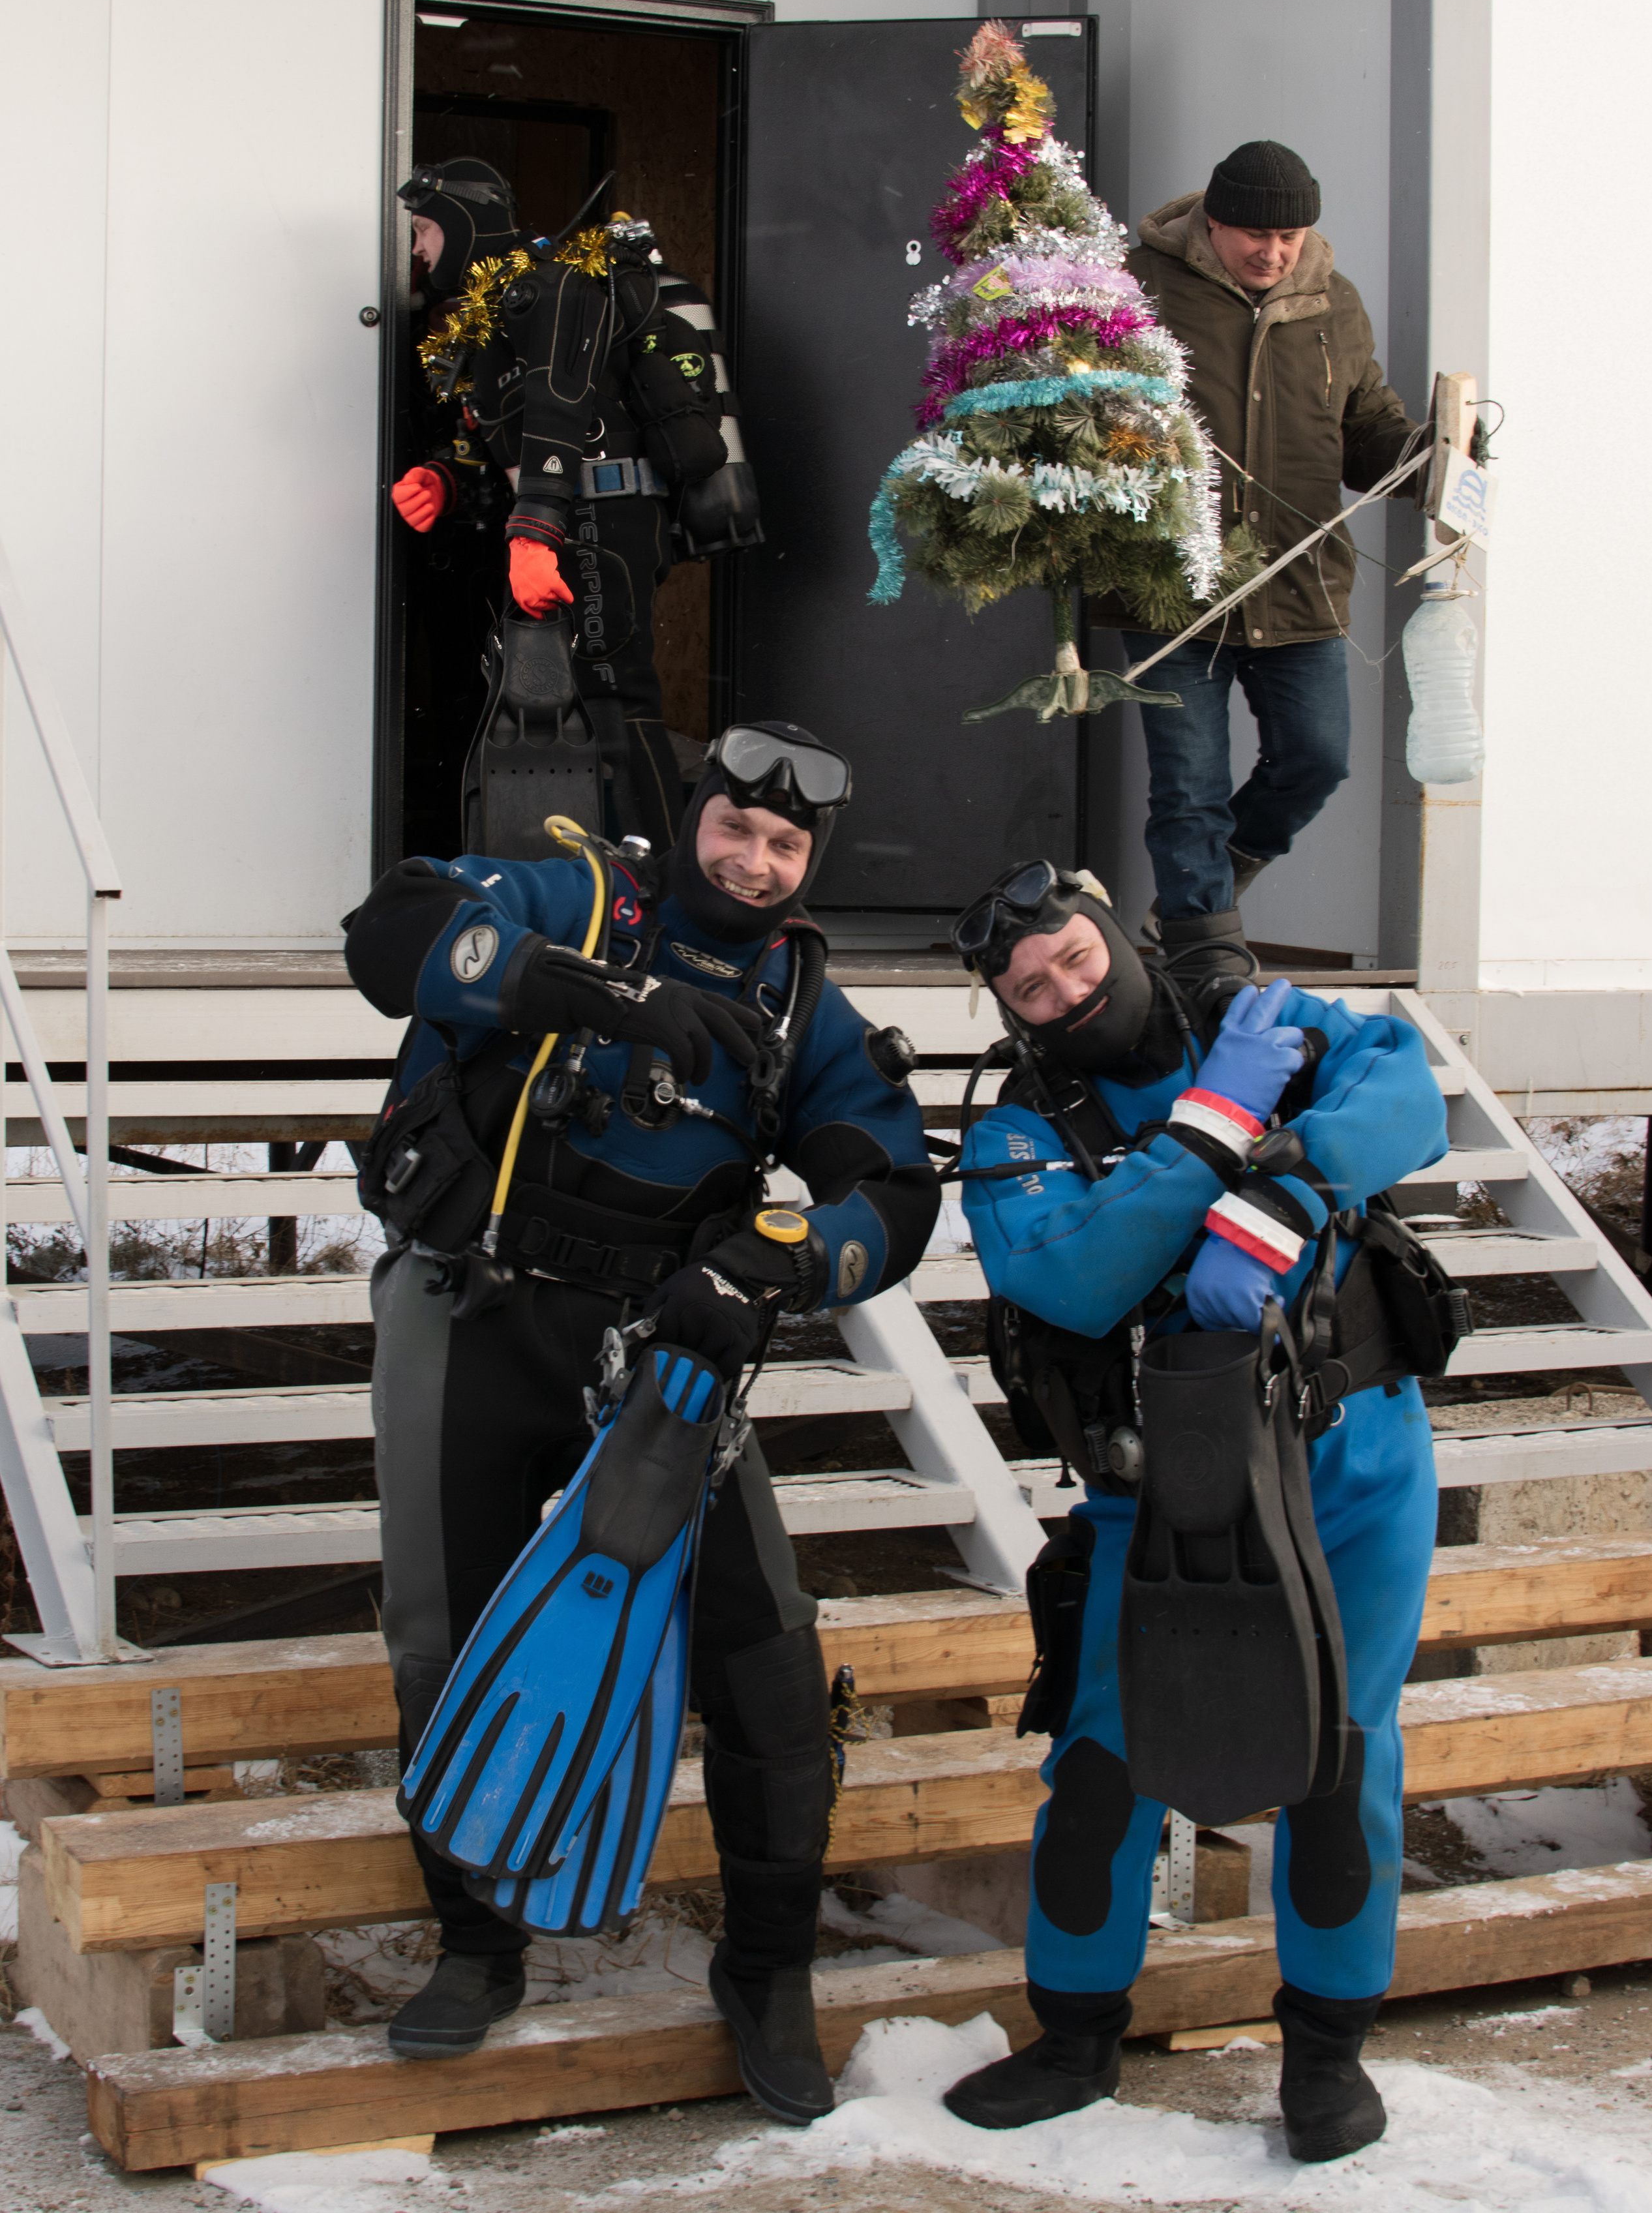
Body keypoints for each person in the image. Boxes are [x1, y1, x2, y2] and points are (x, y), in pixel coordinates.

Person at [344, 720, 937, 2121]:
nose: (751, 857)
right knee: (442, 1630)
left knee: (768, 1658)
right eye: (733, 825)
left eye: (784, 845)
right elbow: (395, 932)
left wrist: (768, 1264)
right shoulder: (581, 896)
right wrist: (600, 1002)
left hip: (655, 1352)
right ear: (692, 821)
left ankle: (768, 1971)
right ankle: (477, 1944)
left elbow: (891, 1186)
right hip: (473, 1305)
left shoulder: (801, 1007)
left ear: (807, 869)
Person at [937, 858, 1449, 2163]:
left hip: (1355, 1456)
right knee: (1102, 1759)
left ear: (1107, 925)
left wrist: (1285, 1191)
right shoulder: (1014, 1130)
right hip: (1157, 1488)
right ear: (1008, 1010)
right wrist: (1215, 1128)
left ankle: (1324, 2056)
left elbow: (1402, 1098)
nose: (1063, 991)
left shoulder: (1260, 1015)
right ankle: (1074, 2037)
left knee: (1344, 1750)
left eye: (1074, 957)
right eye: (1029, 988)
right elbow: (1073, 1275)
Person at [1093, 140, 1422, 962]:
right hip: (1174, 582)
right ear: (1213, 222)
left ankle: (1210, 888)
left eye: (1291, 237)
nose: (1272, 253)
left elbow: (1365, 431)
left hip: (1299, 582)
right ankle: (1202, 958)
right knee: (1189, 789)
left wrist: (1428, 455)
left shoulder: (1333, 303)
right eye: (1253, 236)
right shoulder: (1139, 287)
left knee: (1317, 759)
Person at [395, 159, 762, 849]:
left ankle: (663, 897)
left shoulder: (552, 288)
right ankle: (578, 876)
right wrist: (449, 480)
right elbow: (509, 445)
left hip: (601, 519)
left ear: (461, 223)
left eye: (423, 230)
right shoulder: (496, 308)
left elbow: (558, 412)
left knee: (620, 708)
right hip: (566, 519)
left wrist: (534, 533)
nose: (418, 250)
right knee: (562, 710)